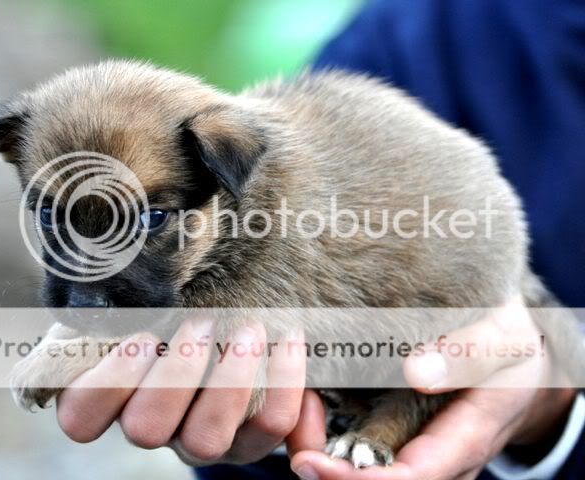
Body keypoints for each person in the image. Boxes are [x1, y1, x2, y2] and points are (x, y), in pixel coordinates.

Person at [55, 1, 584, 479]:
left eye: (150, 220)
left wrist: (553, 406)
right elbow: (247, 411)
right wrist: (271, 442)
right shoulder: (414, 33)